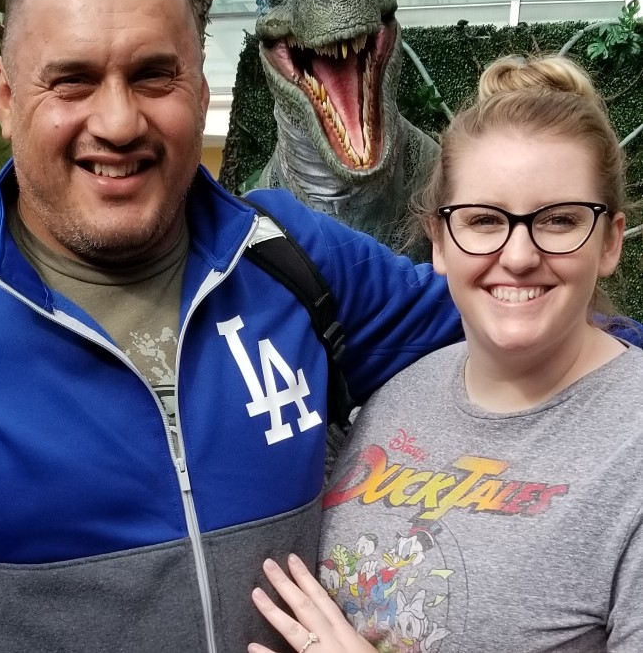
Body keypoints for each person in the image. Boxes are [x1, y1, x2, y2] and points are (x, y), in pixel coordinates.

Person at [0, 0, 465, 652]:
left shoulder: (289, 257)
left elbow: (514, 331)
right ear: (7, 98)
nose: (120, 121)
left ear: (201, 89)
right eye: (72, 81)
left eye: (154, 76)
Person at [249, 55, 643, 653]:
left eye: (560, 221)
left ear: (610, 242)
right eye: (484, 220)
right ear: (439, 240)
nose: (517, 256)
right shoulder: (397, 396)